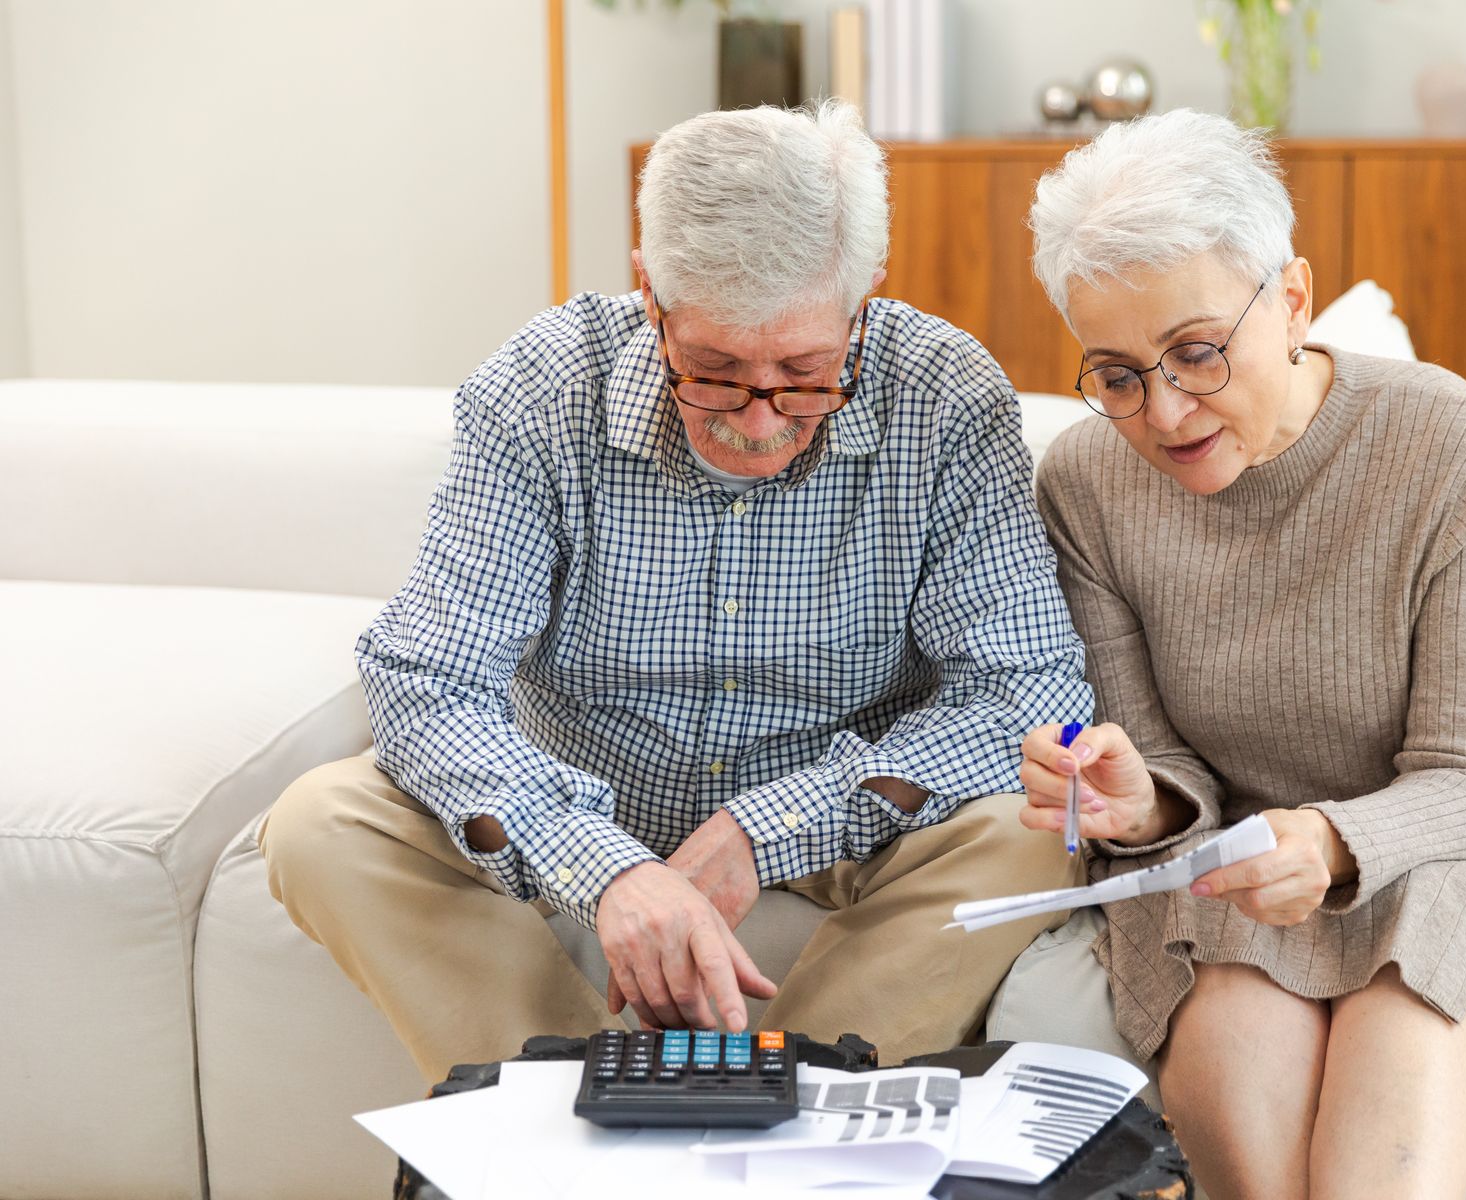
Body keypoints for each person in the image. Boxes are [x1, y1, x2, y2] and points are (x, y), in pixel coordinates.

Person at [260, 101, 1090, 1084]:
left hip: (842, 814)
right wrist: (603, 866)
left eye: (806, 373)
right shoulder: (539, 386)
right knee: (320, 824)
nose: (760, 420)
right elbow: (428, 679)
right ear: (649, 290)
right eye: (714, 371)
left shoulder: (947, 395)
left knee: (1040, 831)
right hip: (577, 798)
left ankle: (784, 1113)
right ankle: (572, 1116)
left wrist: (771, 824)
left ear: (864, 294)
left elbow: (1036, 696)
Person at [1015, 110, 1466, 1200]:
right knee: (1235, 1030)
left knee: (1411, 976)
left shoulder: (1452, 446)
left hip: (1455, 843)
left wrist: (1328, 839)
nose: (1164, 411)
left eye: (1196, 352)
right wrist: (1137, 805)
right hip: (1228, 859)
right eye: (1119, 374)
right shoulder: (1085, 485)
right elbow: (1168, 769)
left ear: (1292, 300)